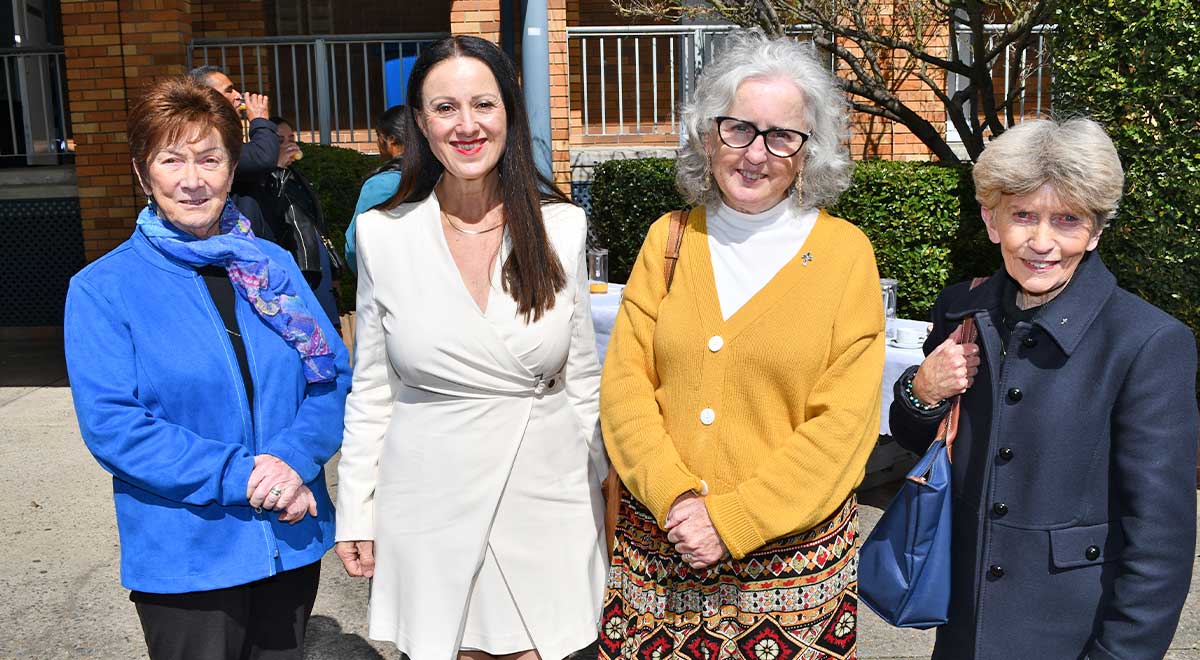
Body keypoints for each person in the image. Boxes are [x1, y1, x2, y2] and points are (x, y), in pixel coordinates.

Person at [599, 32, 884, 658]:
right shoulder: (668, 239)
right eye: (739, 129)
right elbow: (625, 382)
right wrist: (677, 498)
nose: (757, 153)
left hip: (790, 568)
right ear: (709, 136)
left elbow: (846, 423)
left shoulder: (844, 255)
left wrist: (733, 520)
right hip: (660, 553)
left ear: (809, 153)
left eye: (782, 135)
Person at [334, 35, 606, 660]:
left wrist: (593, 490)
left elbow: (583, 378)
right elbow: (373, 387)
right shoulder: (384, 235)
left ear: (509, 111)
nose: (467, 125)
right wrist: (356, 506)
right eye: (445, 108)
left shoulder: (561, 226)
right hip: (427, 493)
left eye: (483, 104)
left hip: (545, 491)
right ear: (420, 123)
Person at [63, 75, 351, 659]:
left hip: (289, 544)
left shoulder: (271, 266)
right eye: (172, 160)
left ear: (232, 166)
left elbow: (332, 378)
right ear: (143, 174)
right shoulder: (103, 289)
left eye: (209, 158)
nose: (192, 180)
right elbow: (116, 426)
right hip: (187, 557)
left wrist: (294, 461)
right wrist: (244, 476)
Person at [888, 118, 1199, 660]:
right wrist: (921, 390)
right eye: (1023, 215)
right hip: (961, 630)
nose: (1041, 242)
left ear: (1097, 230)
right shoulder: (962, 309)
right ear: (991, 219)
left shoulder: (1149, 342)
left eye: (1068, 220)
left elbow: (1161, 541)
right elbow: (920, 443)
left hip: (1075, 637)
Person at [251, 115, 343, 329]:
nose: (288, 144)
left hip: (316, 267)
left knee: (329, 330)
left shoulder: (295, 176)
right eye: (279, 140)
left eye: (290, 138)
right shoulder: (265, 179)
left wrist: (334, 269)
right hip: (297, 270)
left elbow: (316, 224)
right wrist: (277, 167)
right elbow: (272, 216)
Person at [189, 65, 280, 196]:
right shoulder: (200, 135)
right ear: (208, 96)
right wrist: (260, 120)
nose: (238, 95)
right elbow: (262, 158)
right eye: (229, 90)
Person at [345, 103, 408, 274]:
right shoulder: (440, 176)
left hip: (388, 283)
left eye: (379, 137)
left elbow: (354, 245)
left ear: (391, 140)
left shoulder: (382, 185)